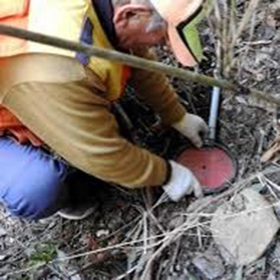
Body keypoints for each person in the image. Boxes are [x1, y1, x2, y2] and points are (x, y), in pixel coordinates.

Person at [0, 0, 208, 220]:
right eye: (165, 36)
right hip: (26, 85)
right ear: (128, 15)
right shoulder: (60, 71)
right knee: (36, 189)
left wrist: (176, 115)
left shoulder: (109, 9)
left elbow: (138, 58)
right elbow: (100, 154)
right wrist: (166, 174)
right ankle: (63, 194)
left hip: (37, 81)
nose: (165, 45)